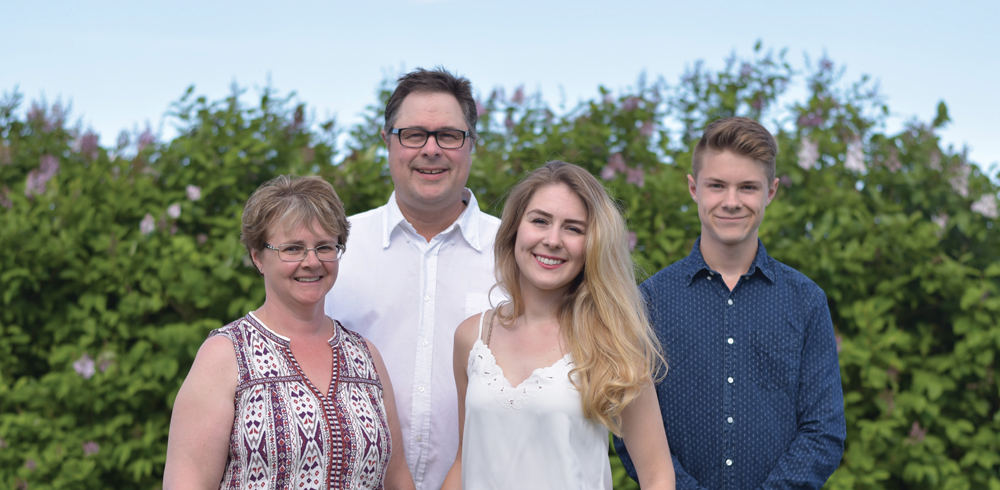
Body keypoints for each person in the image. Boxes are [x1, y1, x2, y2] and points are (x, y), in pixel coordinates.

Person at [615, 117, 846, 489]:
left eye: (748, 187)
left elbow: (824, 430)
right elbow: (631, 433)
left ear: (770, 192)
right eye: (717, 185)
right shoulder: (648, 302)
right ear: (694, 188)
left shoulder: (806, 301)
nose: (732, 201)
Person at [164, 175, 414, 490]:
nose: (312, 261)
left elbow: (397, 478)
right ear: (257, 256)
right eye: (293, 248)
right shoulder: (226, 355)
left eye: (324, 247)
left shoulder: (365, 357)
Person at [442, 161, 676, 490]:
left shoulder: (611, 342)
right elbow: (463, 461)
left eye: (573, 229)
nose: (552, 240)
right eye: (540, 221)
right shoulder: (472, 336)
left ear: (593, 243)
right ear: (514, 229)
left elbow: (657, 476)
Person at [324, 68, 502, 490]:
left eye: (449, 136)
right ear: (387, 141)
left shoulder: (515, 255)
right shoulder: (334, 251)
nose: (431, 149)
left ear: (472, 144)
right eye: (414, 135)